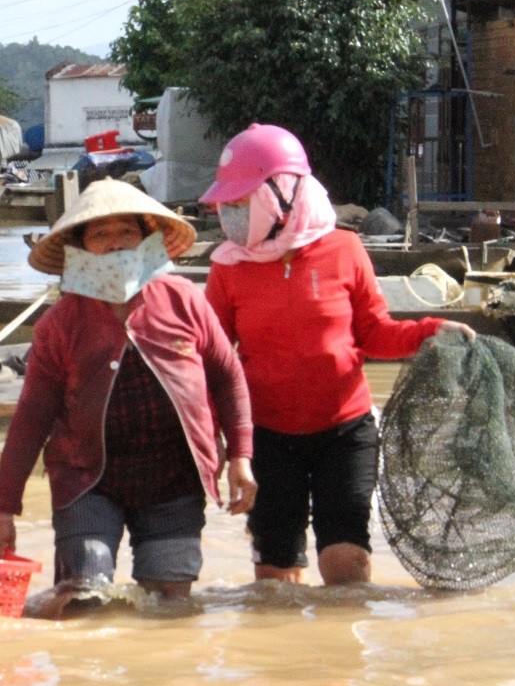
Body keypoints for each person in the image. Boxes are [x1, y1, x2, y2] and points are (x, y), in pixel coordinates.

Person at [201, 123, 475, 587]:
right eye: (227, 204)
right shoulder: (228, 267)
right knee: (274, 578)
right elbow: (213, 361)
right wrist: (224, 446)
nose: (230, 214)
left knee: (346, 566)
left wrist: (431, 331)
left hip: (344, 434)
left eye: (241, 202)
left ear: (282, 194)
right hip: (266, 438)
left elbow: (375, 333)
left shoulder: (344, 249)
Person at [0, 179, 257, 615]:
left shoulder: (184, 300)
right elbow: (31, 421)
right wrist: (2, 512)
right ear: (82, 249)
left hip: (174, 479)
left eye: (125, 232)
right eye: (100, 235)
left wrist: (240, 456)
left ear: (146, 240)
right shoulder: (61, 323)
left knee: (171, 609)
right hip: (88, 480)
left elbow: (227, 376)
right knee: (82, 599)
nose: (113, 245)